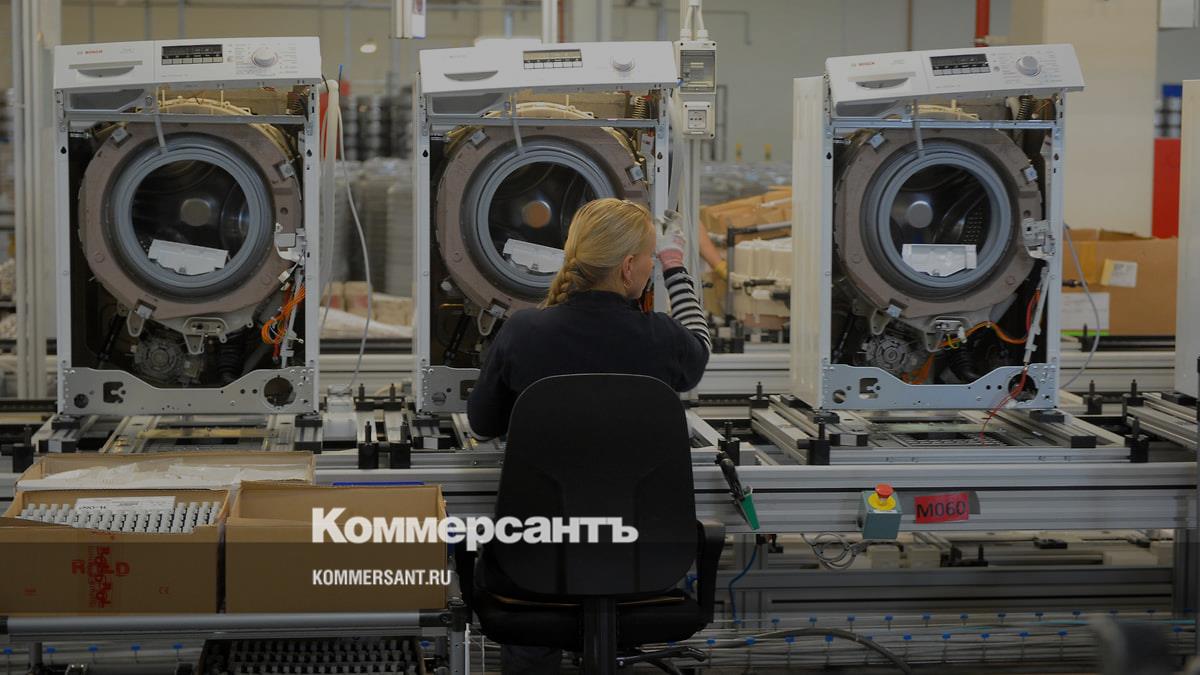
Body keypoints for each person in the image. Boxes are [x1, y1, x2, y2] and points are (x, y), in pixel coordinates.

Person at [465, 198, 712, 674]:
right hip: (641, 562)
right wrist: (674, 265)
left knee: (533, 605)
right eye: (649, 256)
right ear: (628, 267)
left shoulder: (523, 331)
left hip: (533, 563)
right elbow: (699, 345)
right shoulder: (661, 338)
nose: (650, 265)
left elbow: (482, 423)